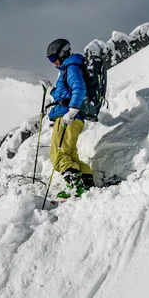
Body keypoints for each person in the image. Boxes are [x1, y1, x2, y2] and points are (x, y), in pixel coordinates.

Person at [46, 38, 95, 198]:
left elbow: (78, 88)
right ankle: (86, 184)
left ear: (62, 53)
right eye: (50, 60)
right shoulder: (70, 68)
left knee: (58, 154)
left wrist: (72, 111)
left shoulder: (71, 67)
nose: (53, 63)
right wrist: (51, 90)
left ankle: (75, 188)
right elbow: (65, 94)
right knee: (70, 155)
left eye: (53, 58)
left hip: (68, 117)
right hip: (74, 117)